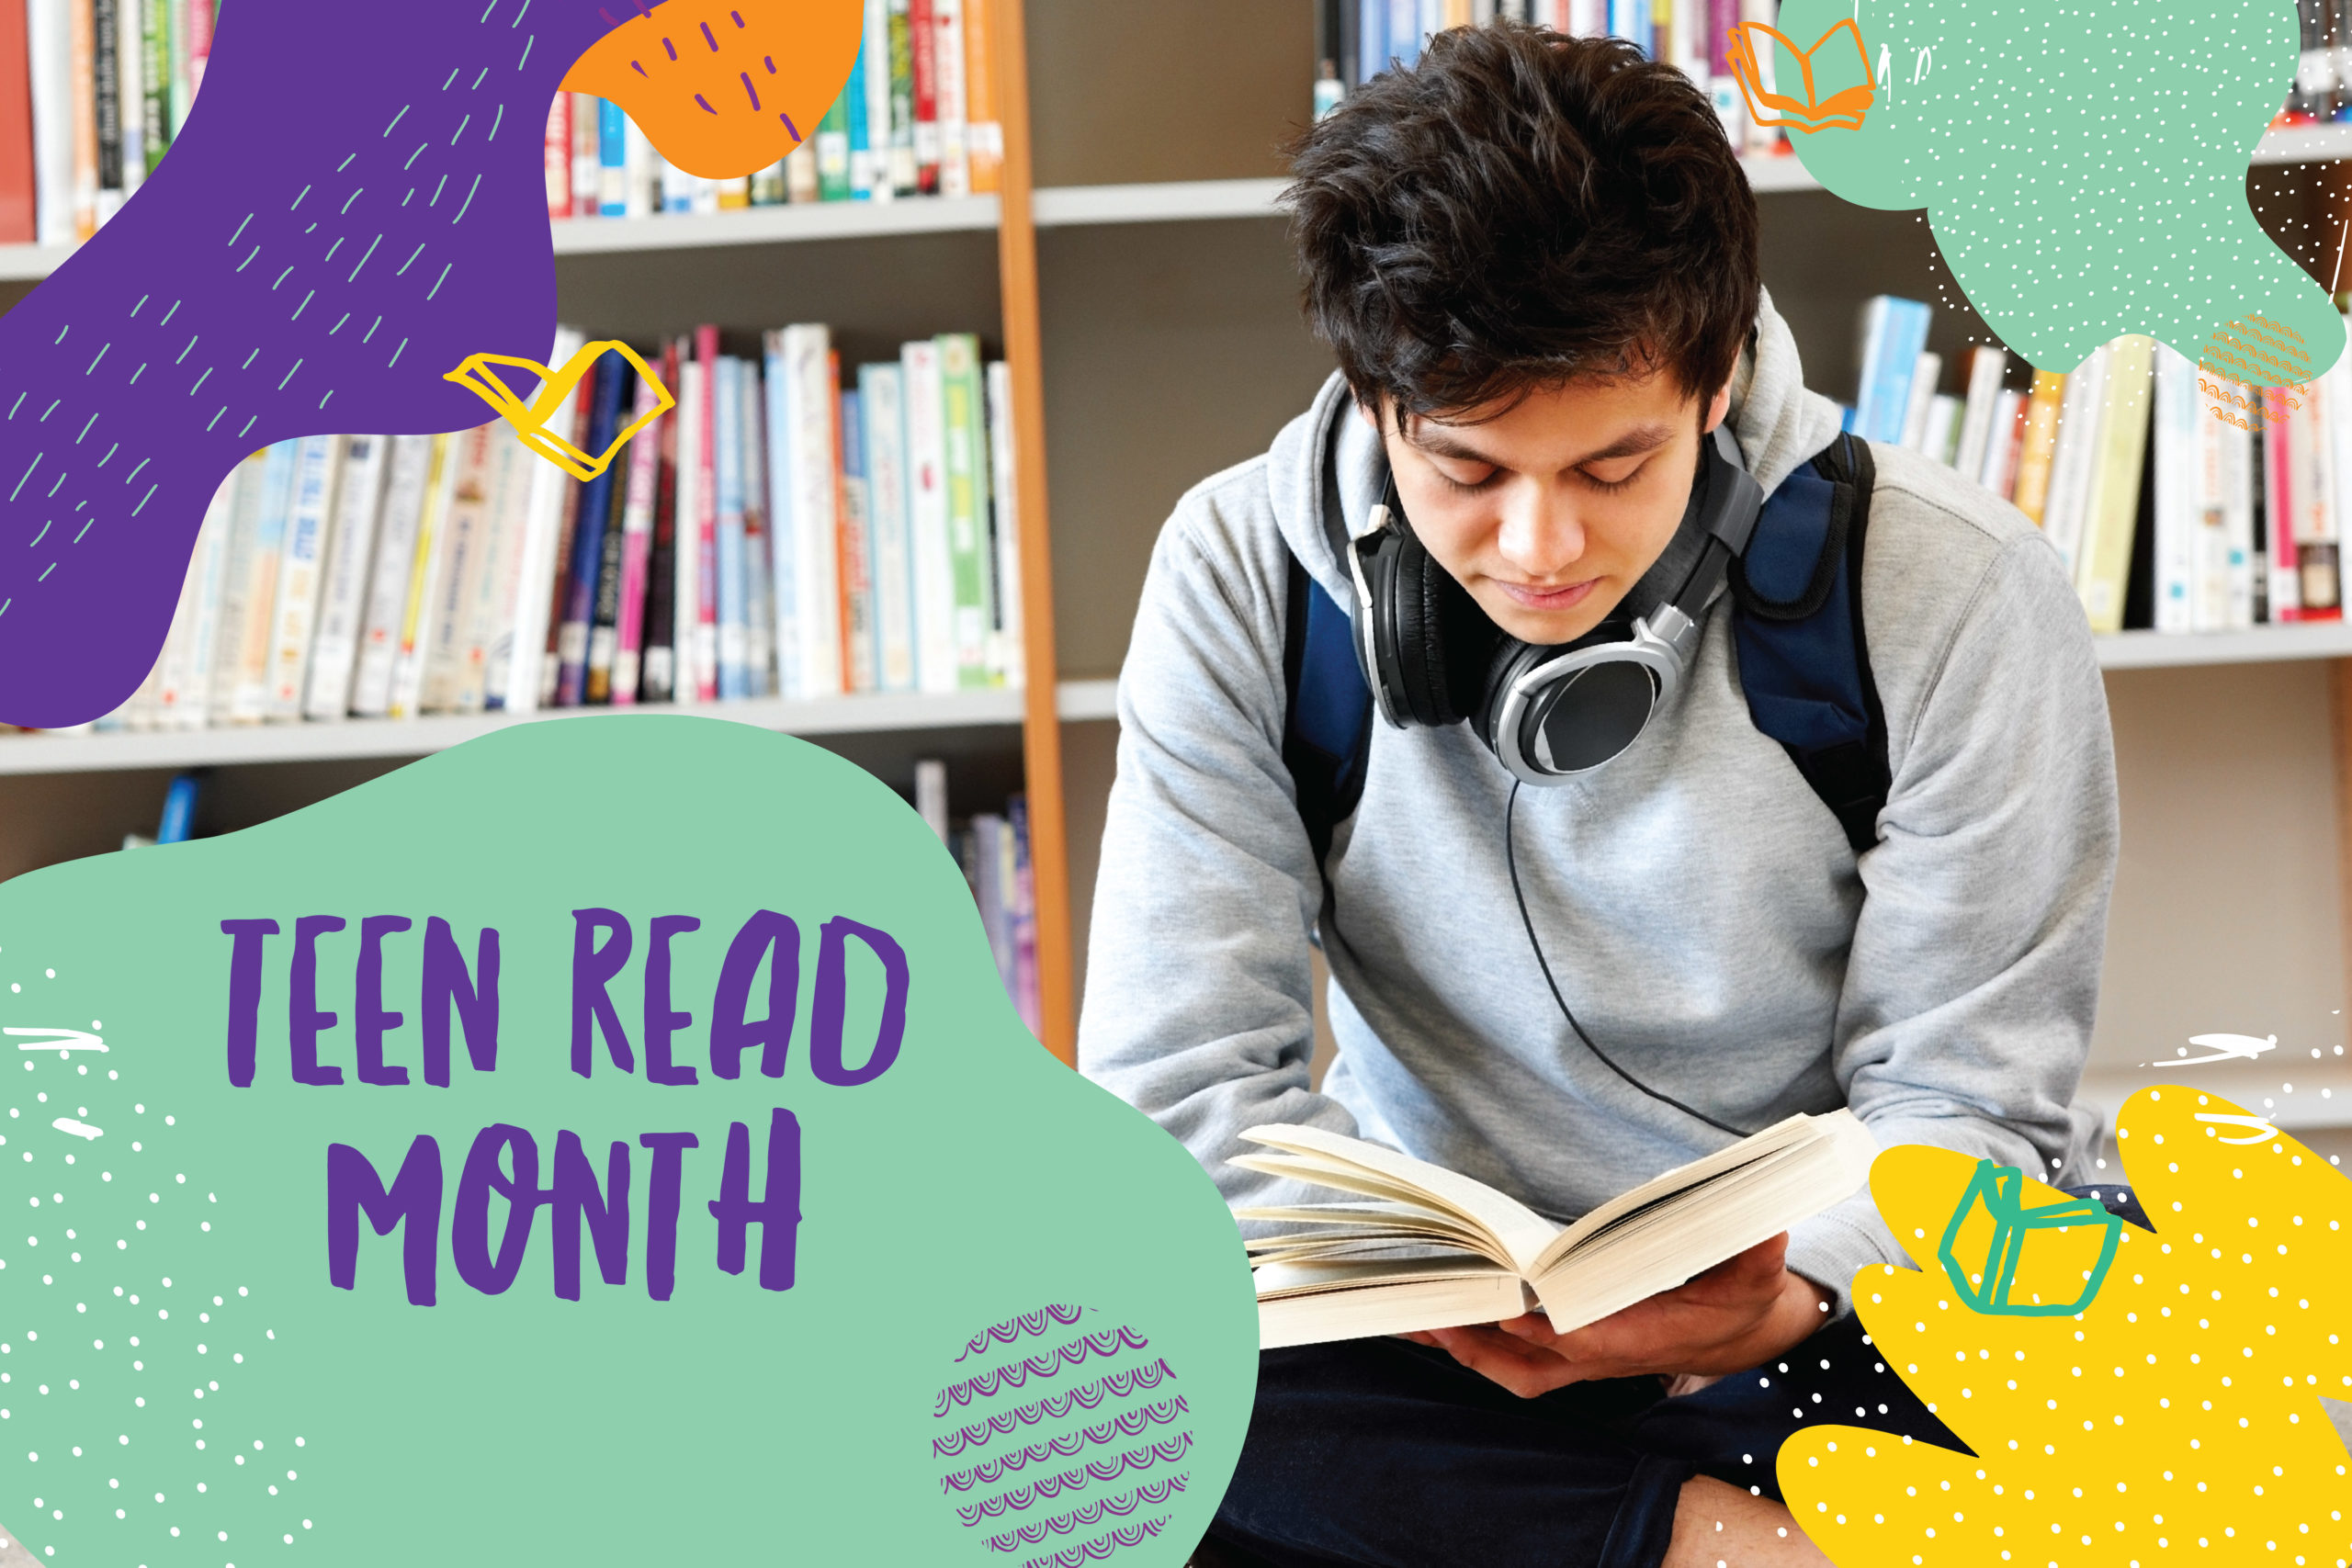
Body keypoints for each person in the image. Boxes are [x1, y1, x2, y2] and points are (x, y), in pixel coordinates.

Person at [1077, 20, 2122, 1568]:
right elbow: (1175, 1099)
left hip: (1808, 1311)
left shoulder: (1961, 591)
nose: (1538, 551)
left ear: (1715, 384)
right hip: (1435, 1344)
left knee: (2124, 1315)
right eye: (1469, 473)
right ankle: (1730, 1546)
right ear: (1372, 402)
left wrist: (1787, 1295)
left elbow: (1969, 1105)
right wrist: (1421, 1293)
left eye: (1612, 470)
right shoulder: (1236, 572)